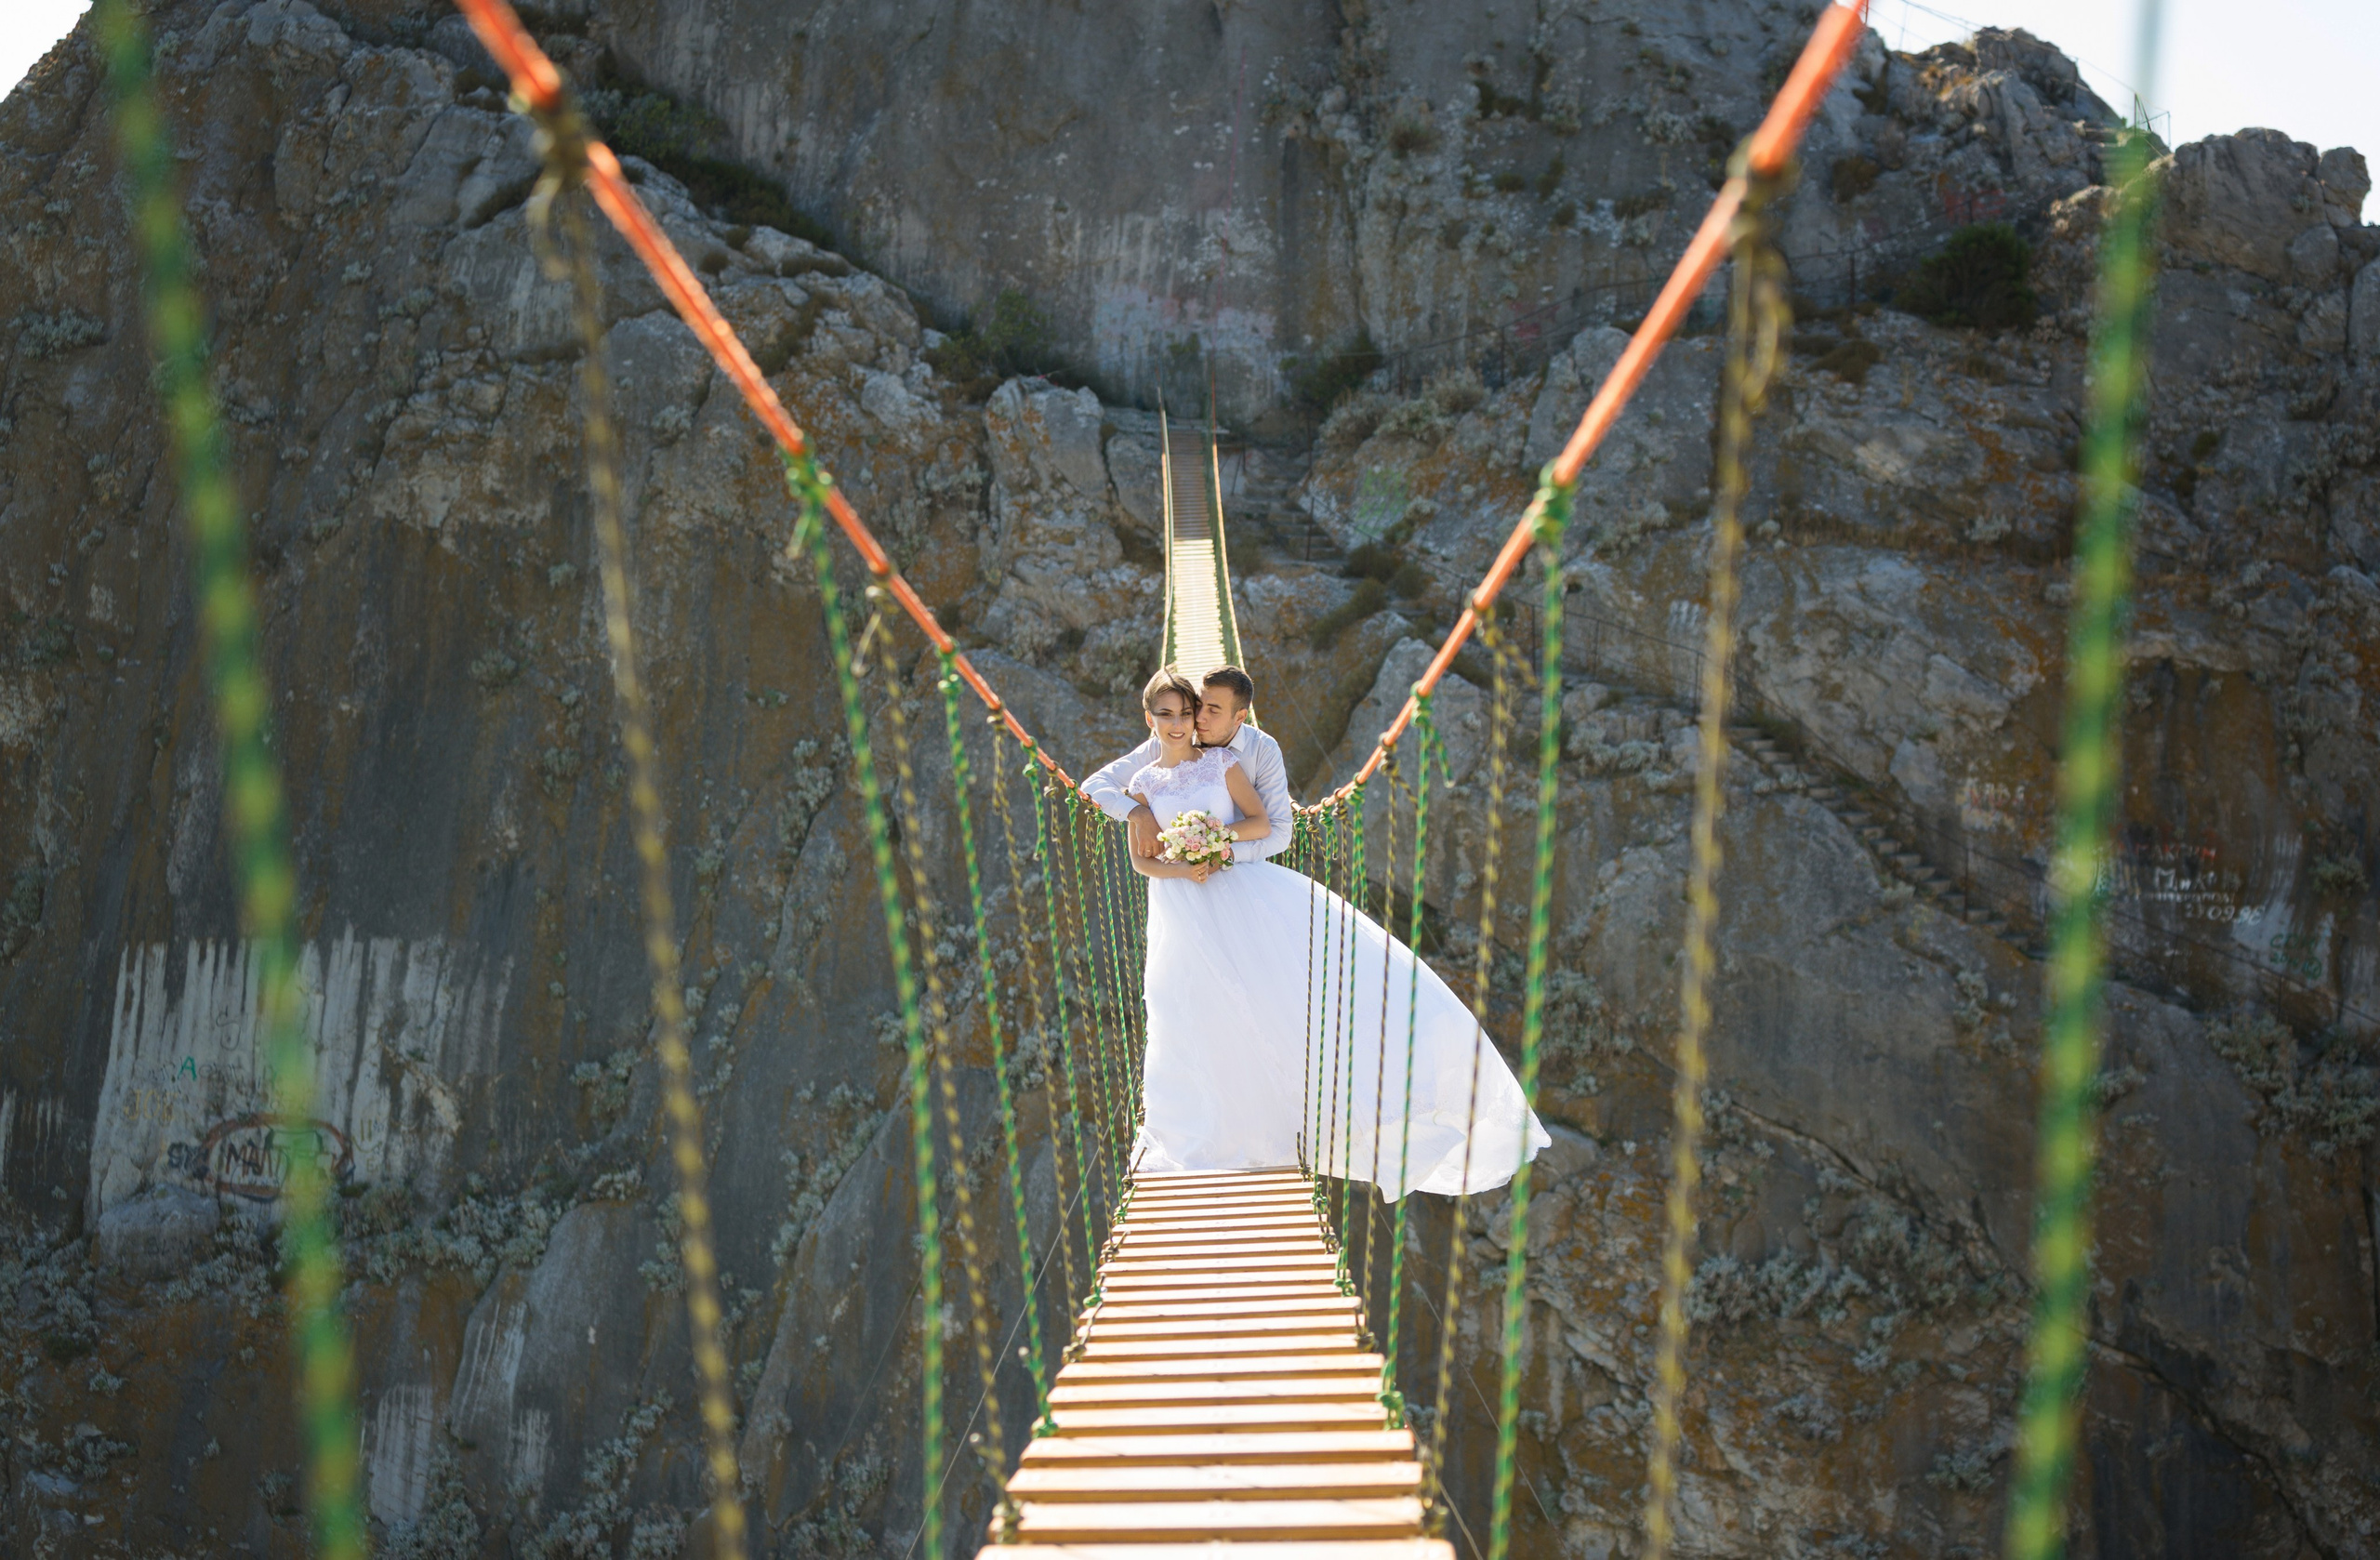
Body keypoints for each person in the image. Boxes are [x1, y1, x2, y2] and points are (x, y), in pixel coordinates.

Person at [1100, 667, 1547, 1197]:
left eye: (1196, 711)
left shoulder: (1234, 758)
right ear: (1150, 719)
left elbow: (1267, 825)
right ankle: (1198, 1134)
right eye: (1174, 713)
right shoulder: (1144, 777)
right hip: (1179, 905)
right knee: (1185, 1008)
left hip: (1237, 889)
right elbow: (1135, 851)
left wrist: (1216, 844)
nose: (1186, 722)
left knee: (1270, 998)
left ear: (1236, 717)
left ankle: (1282, 1120)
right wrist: (1161, 844)